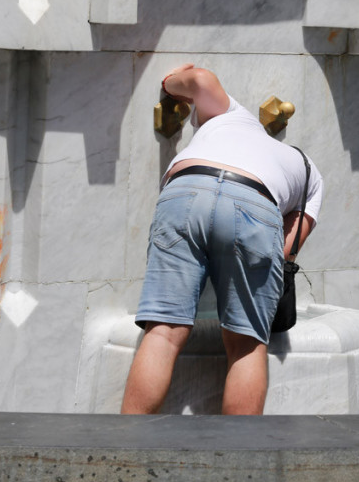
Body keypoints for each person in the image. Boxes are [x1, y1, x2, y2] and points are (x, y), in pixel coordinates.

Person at [121, 64, 323, 415]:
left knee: (163, 334)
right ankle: (237, 458)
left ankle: (124, 449)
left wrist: (170, 84)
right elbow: (284, 249)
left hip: (186, 188)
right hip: (256, 201)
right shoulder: (309, 173)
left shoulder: (233, 115)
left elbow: (199, 80)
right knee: (246, 345)